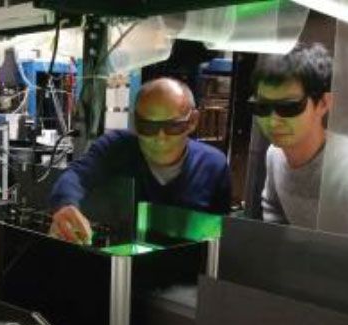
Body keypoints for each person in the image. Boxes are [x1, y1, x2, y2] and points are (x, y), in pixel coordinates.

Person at [49, 77, 231, 244]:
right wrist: (65, 204)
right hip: (121, 261)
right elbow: (76, 176)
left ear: (192, 121)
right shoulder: (117, 148)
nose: (160, 138)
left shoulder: (213, 166)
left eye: (173, 126)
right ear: (136, 123)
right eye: (148, 127)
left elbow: (221, 236)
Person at [252, 43, 348, 239]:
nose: (273, 121)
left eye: (289, 107)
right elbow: (273, 211)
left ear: (323, 104)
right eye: (262, 107)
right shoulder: (275, 154)